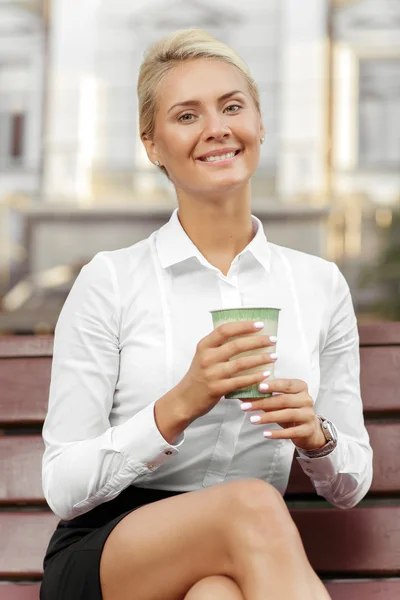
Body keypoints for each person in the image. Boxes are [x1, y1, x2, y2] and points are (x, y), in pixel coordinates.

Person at [39, 28, 373, 600]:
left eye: (232, 106)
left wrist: (318, 437)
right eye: (187, 115)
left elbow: (352, 481)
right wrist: (179, 404)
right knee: (250, 503)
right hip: (114, 547)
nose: (217, 127)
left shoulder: (318, 285)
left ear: (259, 123)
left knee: (215, 593)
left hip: (250, 552)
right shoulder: (111, 280)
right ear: (152, 144)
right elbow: (63, 487)